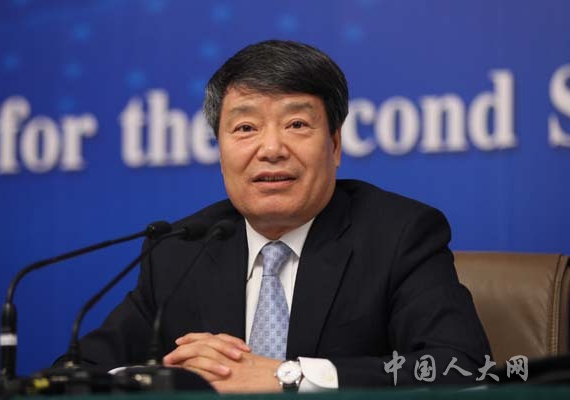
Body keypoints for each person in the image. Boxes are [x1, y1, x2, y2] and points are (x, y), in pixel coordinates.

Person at [73, 40, 491, 392]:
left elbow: (462, 365)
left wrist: (289, 376)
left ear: (335, 145)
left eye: (296, 124)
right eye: (245, 128)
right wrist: (164, 377)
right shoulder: (179, 250)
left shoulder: (399, 234)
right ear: (219, 150)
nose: (271, 148)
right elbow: (76, 374)